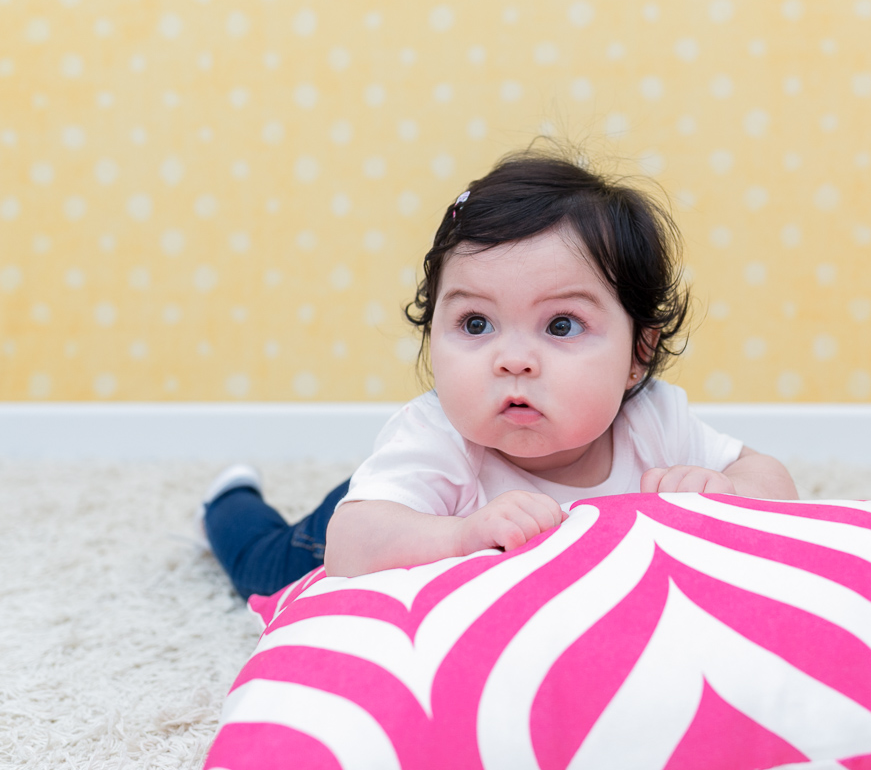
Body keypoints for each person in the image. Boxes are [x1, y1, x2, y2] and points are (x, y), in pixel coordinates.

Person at [199, 148, 798, 599]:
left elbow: (774, 480)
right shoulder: (438, 436)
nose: (512, 360)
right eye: (477, 324)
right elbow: (351, 544)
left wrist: (730, 492)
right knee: (261, 567)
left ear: (640, 352)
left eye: (561, 325)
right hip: (388, 515)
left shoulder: (655, 420)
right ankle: (228, 498)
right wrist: (459, 538)